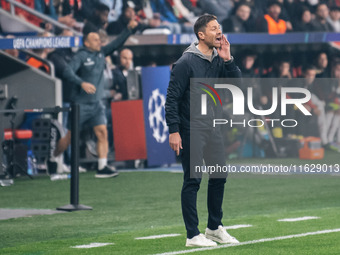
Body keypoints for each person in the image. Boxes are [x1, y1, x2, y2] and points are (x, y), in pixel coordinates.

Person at [165, 14, 241, 247]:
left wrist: (228, 61)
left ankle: (214, 228)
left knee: (219, 176)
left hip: (212, 128)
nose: (219, 32)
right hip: (190, 129)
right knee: (193, 180)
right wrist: (174, 130)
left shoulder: (219, 59)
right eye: (213, 28)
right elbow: (171, 99)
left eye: (219, 28)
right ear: (201, 34)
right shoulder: (185, 62)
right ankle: (192, 235)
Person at [54, 19, 138, 178]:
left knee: (102, 133)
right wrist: (82, 83)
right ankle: (53, 157)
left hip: (96, 104)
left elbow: (116, 44)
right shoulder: (80, 56)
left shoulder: (101, 53)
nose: (99, 42)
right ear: (86, 42)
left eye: (99, 40)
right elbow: (67, 72)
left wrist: (128, 29)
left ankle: (102, 166)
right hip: (80, 104)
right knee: (70, 137)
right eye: (95, 40)